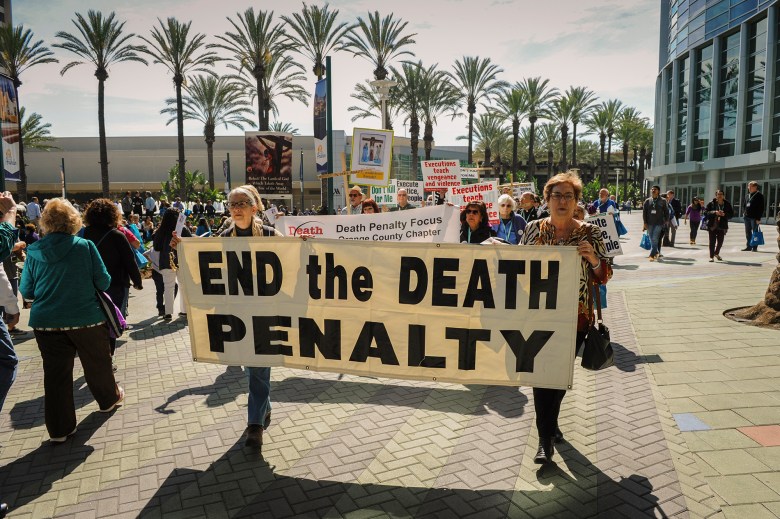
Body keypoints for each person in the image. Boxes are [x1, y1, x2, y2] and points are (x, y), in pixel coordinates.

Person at [173, 186, 281, 449]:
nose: (236, 208)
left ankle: (254, 425)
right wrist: (184, 249)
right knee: (249, 368)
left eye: (242, 203)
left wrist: (301, 247)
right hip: (236, 316)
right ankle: (263, 407)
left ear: (254, 207)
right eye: (232, 203)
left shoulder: (269, 235)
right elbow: (204, 263)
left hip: (264, 314)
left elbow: (291, 263)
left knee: (258, 369)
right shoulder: (223, 236)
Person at [520, 172, 612, 464]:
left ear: (576, 202)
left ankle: (550, 424)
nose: (562, 201)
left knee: (558, 377)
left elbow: (604, 276)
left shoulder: (591, 233)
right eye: (556, 195)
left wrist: (594, 260)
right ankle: (544, 439)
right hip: (537, 316)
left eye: (568, 196)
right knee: (540, 376)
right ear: (546, 200)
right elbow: (517, 269)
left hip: (575, 318)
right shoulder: (533, 229)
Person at [19, 198, 125, 444]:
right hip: (85, 318)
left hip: (46, 322)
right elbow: (103, 281)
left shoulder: (34, 252)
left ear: (45, 222)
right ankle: (108, 400)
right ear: (74, 220)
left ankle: (59, 430)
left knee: (56, 376)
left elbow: (28, 290)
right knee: (98, 363)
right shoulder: (84, 246)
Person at [82, 199, 143, 363]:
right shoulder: (117, 235)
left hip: (91, 286)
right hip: (116, 285)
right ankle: (109, 357)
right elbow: (129, 261)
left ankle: (98, 355)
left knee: (96, 322)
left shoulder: (84, 234)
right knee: (112, 321)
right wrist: (138, 282)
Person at [152, 208, 190, 319]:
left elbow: (157, 247)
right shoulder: (182, 229)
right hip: (181, 261)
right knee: (183, 286)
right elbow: (190, 243)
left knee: (168, 287)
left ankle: (168, 313)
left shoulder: (161, 230)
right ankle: (184, 311)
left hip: (165, 261)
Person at [705, 190, 734, 262]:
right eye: (718, 194)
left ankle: (716, 253)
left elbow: (731, 214)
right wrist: (715, 212)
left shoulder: (727, 204)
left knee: (720, 242)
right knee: (712, 242)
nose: (720, 195)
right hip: (712, 225)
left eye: (721, 194)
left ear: (723, 195)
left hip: (722, 225)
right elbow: (706, 213)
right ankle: (711, 257)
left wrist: (724, 214)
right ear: (716, 195)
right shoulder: (711, 203)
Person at [642, 185, 669, 261]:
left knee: (655, 238)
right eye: (652, 189)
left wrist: (666, 220)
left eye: (655, 189)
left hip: (659, 223)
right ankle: (656, 251)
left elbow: (667, 211)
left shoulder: (663, 200)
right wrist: (644, 222)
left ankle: (652, 255)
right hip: (649, 223)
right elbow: (644, 213)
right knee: (652, 239)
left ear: (658, 191)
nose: (653, 190)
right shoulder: (647, 201)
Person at [742, 181, 765, 252]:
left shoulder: (759, 196)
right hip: (747, 217)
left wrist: (758, 218)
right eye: (749, 186)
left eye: (750, 186)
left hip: (754, 217)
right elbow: (744, 205)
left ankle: (754, 247)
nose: (749, 188)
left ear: (755, 187)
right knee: (748, 232)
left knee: (755, 232)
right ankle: (749, 246)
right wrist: (744, 212)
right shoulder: (747, 195)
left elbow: (761, 208)